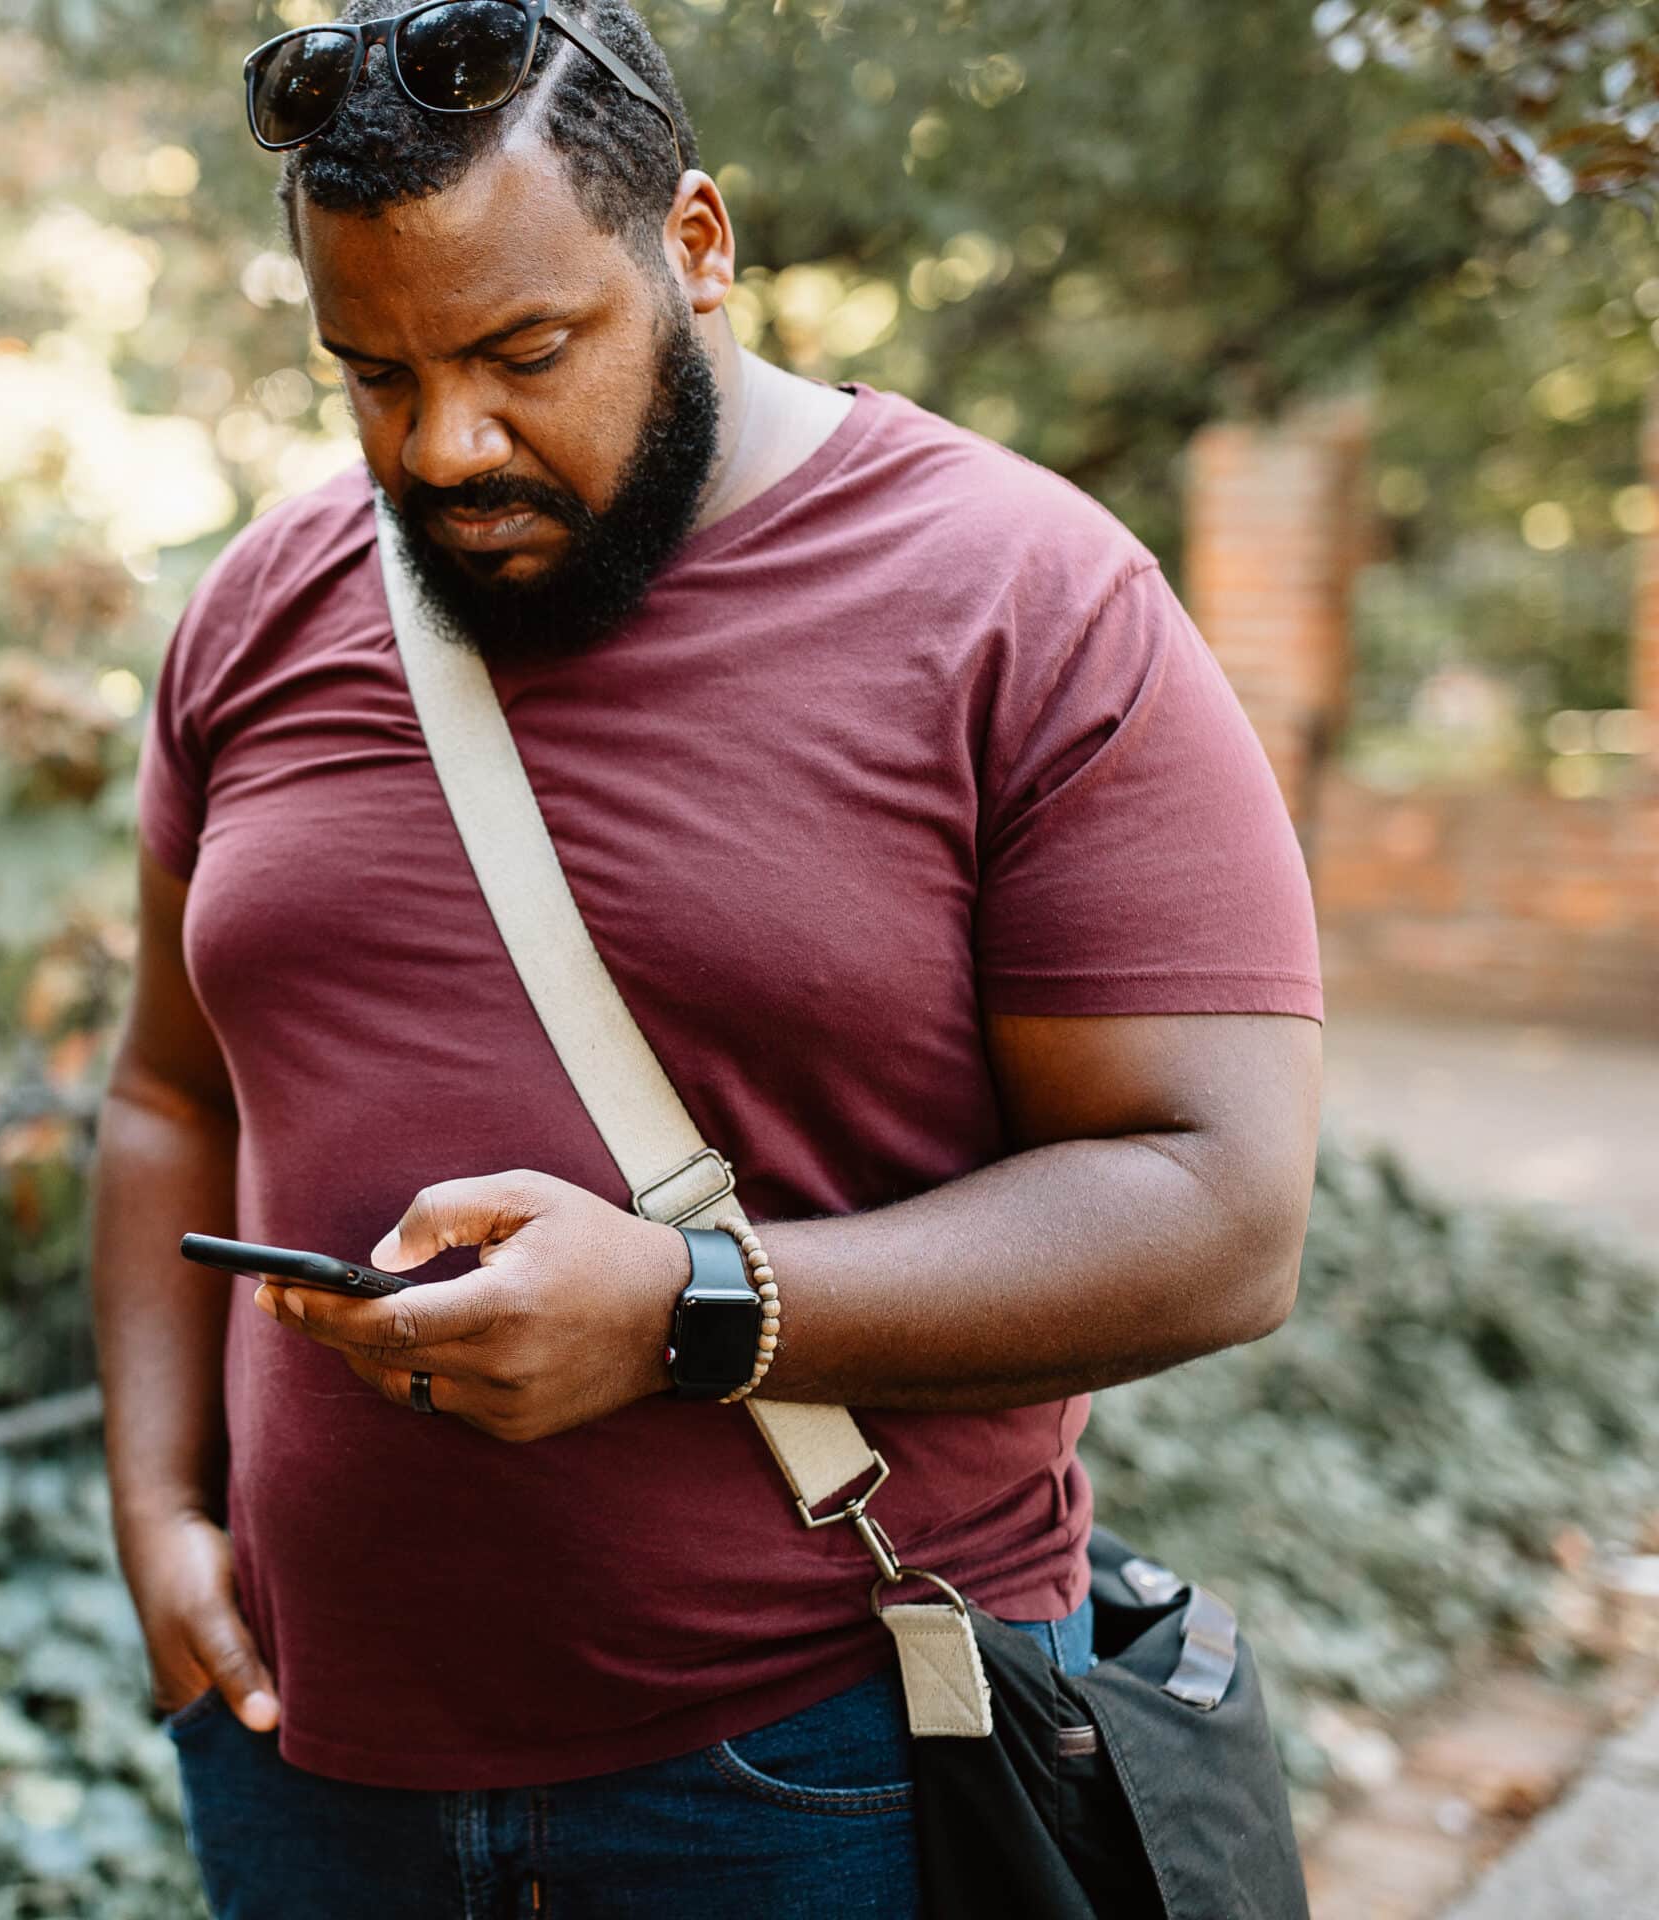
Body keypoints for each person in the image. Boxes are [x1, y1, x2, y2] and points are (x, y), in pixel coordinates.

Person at [88, 1, 1323, 1912]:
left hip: (825, 1773)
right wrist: (160, 1512)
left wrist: (693, 1308)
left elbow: (1220, 1208)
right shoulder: (264, 603)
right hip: (310, 1771)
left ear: (697, 244)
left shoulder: (1025, 599)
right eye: (373, 375)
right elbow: (168, 1090)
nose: (449, 444)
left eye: (521, 352)